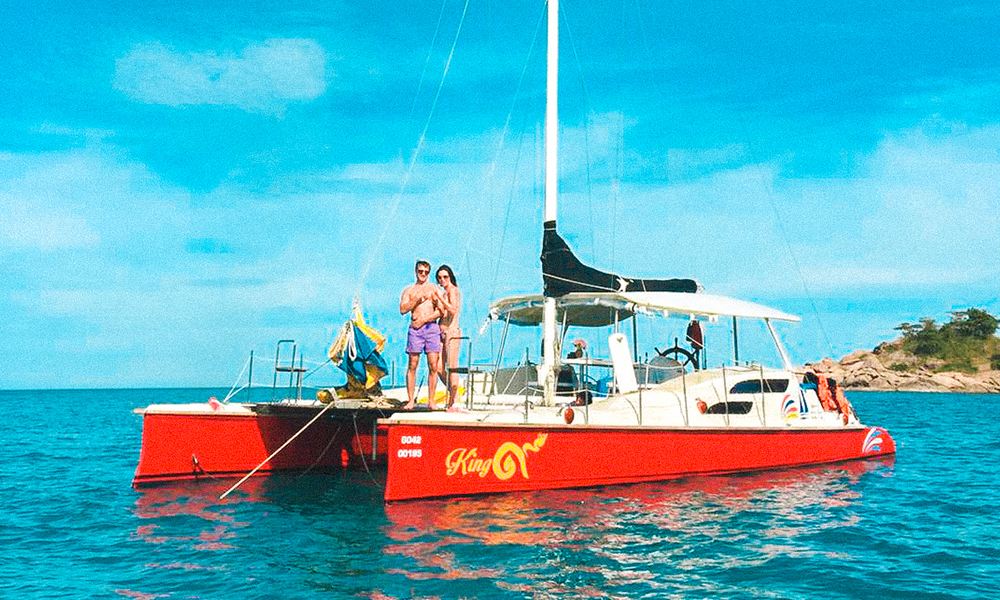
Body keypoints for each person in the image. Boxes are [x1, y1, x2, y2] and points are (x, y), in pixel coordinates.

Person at [400, 260, 443, 409]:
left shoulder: (434, 289)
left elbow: (441, 310)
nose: (423, 274)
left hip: (431, 328)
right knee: (413, 364)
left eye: (426, 272)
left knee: (433, 365)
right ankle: (410, 400)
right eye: (420, 271)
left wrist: (424, 320)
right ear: (416, 271)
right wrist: (416, 301)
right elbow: (403, 309)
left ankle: (431, 400)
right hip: (415, 331)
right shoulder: (409, 290)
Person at [434, 264, 462, 411]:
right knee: (438, 367)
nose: (442, 280)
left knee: (452, 367)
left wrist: (440, 298)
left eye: (445, 277)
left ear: (450, 277)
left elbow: (453, 310)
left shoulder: (453, 290)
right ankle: (453, 393)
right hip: (441, 332)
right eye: (439, 277)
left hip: (451, 332)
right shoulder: (444, 293)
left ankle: (454, 401)